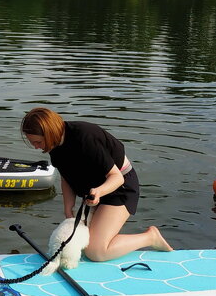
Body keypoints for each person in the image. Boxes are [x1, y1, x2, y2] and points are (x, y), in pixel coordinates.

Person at [20, 107, 172, 262]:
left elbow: (117, 177)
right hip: (94, 191)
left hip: (120, 187)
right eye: (33, 143)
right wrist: (68, 208)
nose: (36, 147)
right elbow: (66, 177)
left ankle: (150, 237)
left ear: (50, 133)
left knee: (96, 252)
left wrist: (99, 192)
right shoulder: (53, 145)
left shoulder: (85, 137)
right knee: (82, 244)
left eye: (38, 142)